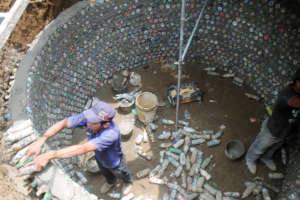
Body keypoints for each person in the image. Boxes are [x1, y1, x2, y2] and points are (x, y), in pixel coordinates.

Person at [25, 101, 133, 194]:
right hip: (100, 158)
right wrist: (42, 139)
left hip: (115, 161)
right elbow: (64, 123)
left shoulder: (111, 134)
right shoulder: (90, 119)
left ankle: (128, 182)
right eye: (90, 119)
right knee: (105, 172)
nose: (88, 123)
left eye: (93, 122)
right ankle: (111, 182)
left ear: (106, 124)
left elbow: (83, 148)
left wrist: (50, 154)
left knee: (121, 172)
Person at [246, 69, 300, 174]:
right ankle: (250, 159)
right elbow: (295, 103)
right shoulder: (287, 94)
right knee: (261, 145)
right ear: (296, 81)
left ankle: (266, 158)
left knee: (276, 146)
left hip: (286, 130)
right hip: (273, 129)